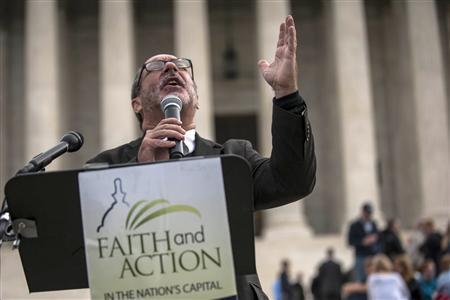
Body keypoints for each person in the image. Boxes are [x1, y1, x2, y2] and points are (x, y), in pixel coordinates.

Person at [87, 15, 316, 300]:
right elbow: (94, 250)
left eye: (183, 66)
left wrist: (286, 95)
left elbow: (293, 181)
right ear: (136, 104)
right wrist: (139, 174)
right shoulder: (106, 168)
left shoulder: (235, 158)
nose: (171, 66)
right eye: (156, 67)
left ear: (196, 99)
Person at [347, 202, 380, 282]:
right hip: (361, 256)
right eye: (367, 213)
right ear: (363, 212)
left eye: (370, 213)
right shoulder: (354, 225)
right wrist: (362, 242)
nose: (368, 215)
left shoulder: (374, 224)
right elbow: (350, 241)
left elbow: (380, 239)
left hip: (373, 255)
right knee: (361, 279)